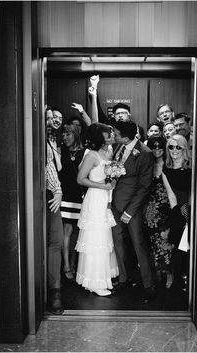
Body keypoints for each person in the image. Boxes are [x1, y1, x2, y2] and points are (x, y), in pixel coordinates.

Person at [111, 121, 156, 300]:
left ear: (126, 136)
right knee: (118, 243)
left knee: (139, 245)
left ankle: (148, 284)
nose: (113, 135)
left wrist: (130, 211)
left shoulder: (145, 154)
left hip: (133, 209)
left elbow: (145, 187)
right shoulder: (117, 147)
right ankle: (123, 279)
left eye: (115, 133)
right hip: (115, 205)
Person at [75, 123, 119, 296]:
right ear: (100, 138)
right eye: (109, 134)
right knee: (96, 238)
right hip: (94, 198)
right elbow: (80, 179)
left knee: (104, 236)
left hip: (105, 199)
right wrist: (103, 186)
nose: (112, 135)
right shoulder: (91, 156)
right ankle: (93, 282)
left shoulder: (108, 152)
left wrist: (111, 184)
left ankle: (102, 278)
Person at [144, 136, 178, 288]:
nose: (157, 149)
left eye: (160, 146)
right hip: (150, 210)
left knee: (166, 241)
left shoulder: (169, 164)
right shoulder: (147, 164)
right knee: (152, 242)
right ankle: (157, 271)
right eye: (153, 146)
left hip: (166, 207)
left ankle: (170, 273)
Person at [164, 134, 192, 290]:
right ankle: (178, 278)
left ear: (184, 148)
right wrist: (178, 212)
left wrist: (188, 208)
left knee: (190, 245)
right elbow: (170, 194)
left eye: (178, 147)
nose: (174, 150)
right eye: (171, 147)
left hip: (191, 207)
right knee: (177, 244)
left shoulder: (191, 167)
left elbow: (194, 191)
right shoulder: (165, 169)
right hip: (177, 209)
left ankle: (189, 277)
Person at [58, 123, 86, 280]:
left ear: (75, 134)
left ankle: (74, 262)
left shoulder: (84, 152)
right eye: (63, 134)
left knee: (77, 232)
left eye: (68, 134)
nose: (64, 137)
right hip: (66, 196)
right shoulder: (61, 151)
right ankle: (66, 266)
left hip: (80, 196)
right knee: (67, 231)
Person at [45, 107, 64, 314]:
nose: (51, 121)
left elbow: (49, 167)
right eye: (48, 118)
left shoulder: (48, 141)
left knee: (56, 242)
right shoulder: (37, 137)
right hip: (33, 196)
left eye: (52, 118)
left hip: (51, 195)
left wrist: (57, 191)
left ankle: (55, 292)